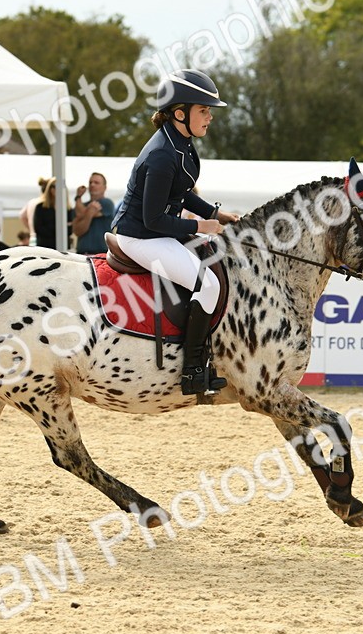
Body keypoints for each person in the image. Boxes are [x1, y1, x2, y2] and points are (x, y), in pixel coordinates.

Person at [109, 69, 241, 395]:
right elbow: (153, 218)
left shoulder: (179, 142)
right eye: (204, 110)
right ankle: (192, 371)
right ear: (180, 113)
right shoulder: (161, 155)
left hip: (156, 231)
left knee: (215, 259)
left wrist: (215, 213)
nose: (210, 117)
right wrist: (201, 225)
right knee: (207, 284)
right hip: (139, 236)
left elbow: (180, 194)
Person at [72, 173, 116, 255]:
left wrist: (78, 199)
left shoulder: (107, 203)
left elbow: (80, 213)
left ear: (104, 187)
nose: (92, 185)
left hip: (102, 254)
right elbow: (77, 231)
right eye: (90, 182)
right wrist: (89, 212)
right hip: (82, 254)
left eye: (96, 182)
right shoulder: (81, 205)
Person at [32, 177, 74, 252]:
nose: (54, 189)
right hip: (45, 248)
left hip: (63, 249)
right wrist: (58, 229)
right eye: (53, 186)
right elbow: (38, 228)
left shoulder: (68, 209)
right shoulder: (41, 207)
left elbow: (70, 229)